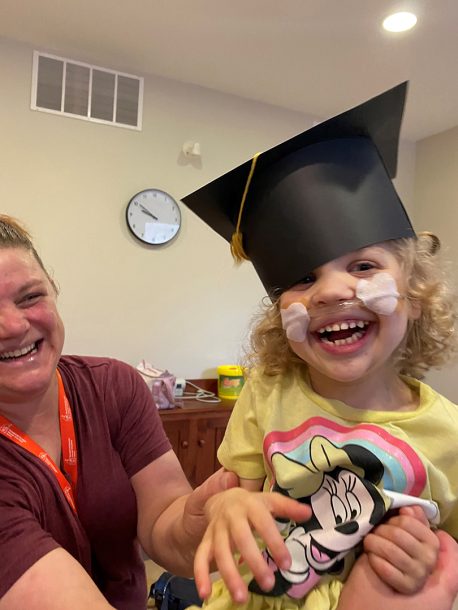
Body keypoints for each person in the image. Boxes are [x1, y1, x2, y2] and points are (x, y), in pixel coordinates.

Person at [0, 215, 419, 610]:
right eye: (306, 279)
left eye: (30, 296)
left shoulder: (113, 387)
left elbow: (166, 530)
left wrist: (201, 519)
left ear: (54, 290)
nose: (13, 326)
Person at [181, 82, 458, 610]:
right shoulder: (268, 392)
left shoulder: (450, 434)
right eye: (303, 278)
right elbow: (231, 491)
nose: (331, 291)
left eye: (364, 267)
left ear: (416, 296)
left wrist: (431, 557)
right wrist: (229, 508)